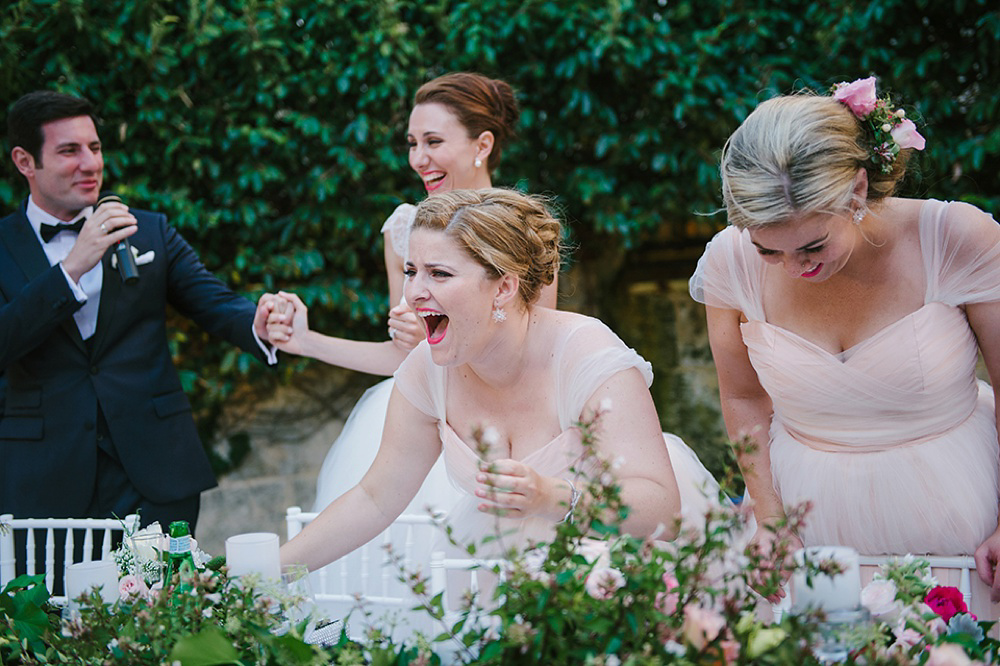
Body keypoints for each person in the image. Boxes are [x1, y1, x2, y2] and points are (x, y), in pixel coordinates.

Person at [275, 187, 722, 572]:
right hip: (497, 568)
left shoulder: (587, 353)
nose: (413, 293)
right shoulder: (426, 368)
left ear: (504, 287)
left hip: (627, 568)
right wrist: (266, 572)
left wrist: (552, 497)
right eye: (412, 272)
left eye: (439, 274)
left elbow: (662, 505)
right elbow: (374, 499)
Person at [689, 76, 1000, 612]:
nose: (796, 267)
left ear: (856, 189)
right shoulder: (729, 262)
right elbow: (742, 398)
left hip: (958, 502)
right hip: (806, 511)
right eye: (770, 252)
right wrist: (769, 519)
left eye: (813, 244)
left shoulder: (956, 237)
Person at [268, 72, 557, 517]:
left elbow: (538, 349)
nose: (418, 158)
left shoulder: (524, 230)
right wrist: (304, 342)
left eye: (433, 141)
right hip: (422, 423)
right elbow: (403, 360)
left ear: (482, 145)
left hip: (509, 425)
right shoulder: (405, 227)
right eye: (411, 142)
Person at [0, 90, 280, 531]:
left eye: (94, 147)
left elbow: (217, 303)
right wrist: (72, 269)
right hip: (43, 480)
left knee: (162, 600)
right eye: (69, 151)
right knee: (53, 602)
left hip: (155, 475)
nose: (91, 164)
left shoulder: (148, 231)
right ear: (24, 161)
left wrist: (262, 323)